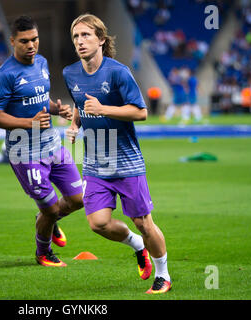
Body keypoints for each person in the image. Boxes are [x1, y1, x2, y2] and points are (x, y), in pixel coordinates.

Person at [63, 13, 171, 294]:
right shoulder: (70, 73)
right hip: (95, 163)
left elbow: (141, 112)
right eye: (76, 36)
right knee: (98, 223)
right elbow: (79, 100)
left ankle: (163, 275)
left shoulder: (118, 72)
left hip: (126, 161)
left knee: (144, 223)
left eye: (86, 35)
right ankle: (137, 247)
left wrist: (104, 109)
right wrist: (75, 124)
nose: (80, 41)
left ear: (101, 39)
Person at [0, 15, 84, 267]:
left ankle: (45, 219)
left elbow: (40, 101)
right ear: (12, 41)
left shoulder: (41, 62)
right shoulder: (4, 75)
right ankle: (43, 252)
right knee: (51, 210)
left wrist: (57, 109)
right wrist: (29, 123)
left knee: (77, 200)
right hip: (24, 152)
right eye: (24, 41)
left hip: (52, 145)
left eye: (35, 39)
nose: (31, 45)